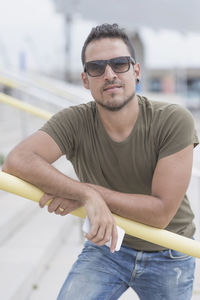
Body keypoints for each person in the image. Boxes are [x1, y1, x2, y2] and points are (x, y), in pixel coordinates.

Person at [3, 23, 199, 300]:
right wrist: (85, 194)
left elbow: (161, 213)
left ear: (136, 71)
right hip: (107, 245)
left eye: (120, 64)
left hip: (168, 250)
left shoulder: (172, 120)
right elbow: (16, 161)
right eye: (97, 68)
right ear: (85, 79)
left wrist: (94, 196)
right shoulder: (75, 121)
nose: (109, 74)